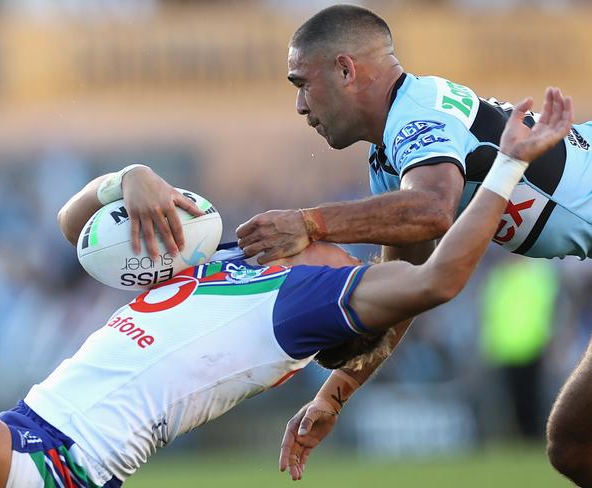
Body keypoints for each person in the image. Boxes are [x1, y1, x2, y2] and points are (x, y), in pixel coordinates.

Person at [0, 87, 571, 487]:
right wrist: (124, 179)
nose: (353, 254)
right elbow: (73, 226)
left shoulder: (311, 303)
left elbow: (438, 279)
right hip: (31, 434)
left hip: (56, 458)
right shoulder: (235, 255)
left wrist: (509, 164)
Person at [246, 5, 589, 485]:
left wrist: (311, 222)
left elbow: (432, 208)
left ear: (345, 69)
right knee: (575, 446)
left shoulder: (418, 112)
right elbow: (408, 287)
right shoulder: (391, 155)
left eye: (302, 83)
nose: (301, 106)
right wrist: (334, 394)